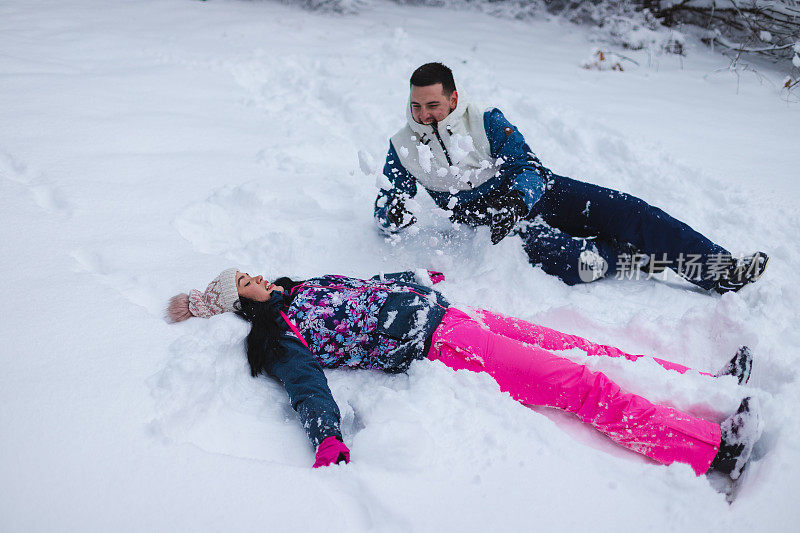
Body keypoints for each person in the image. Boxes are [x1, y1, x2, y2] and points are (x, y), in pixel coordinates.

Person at [167, 268, 763, 481]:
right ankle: (710, 450)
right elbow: (307, 386)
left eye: (253, 272)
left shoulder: (301, 289)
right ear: (245, 307)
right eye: (249, 285)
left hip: (453, 313)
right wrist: (326, 435)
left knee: (585, 348)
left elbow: (368, 289)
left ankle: (711, 386)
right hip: (442, 343)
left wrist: (413, 277)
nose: (262, 279)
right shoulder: (280, 336)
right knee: (578, 384)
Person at [374, 62, 768, 293]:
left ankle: (720, 270)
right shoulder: (404, 146)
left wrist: (516, 202)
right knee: (577, 262)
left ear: (453, 99)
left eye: (433, 105)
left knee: (631, 212)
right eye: (416, 105)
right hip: (497, 227)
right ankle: (628, 257)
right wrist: (390, 212)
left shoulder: (485, 119)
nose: (423, 114)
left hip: (541, 194)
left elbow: (527, 167)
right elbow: (390, 196)